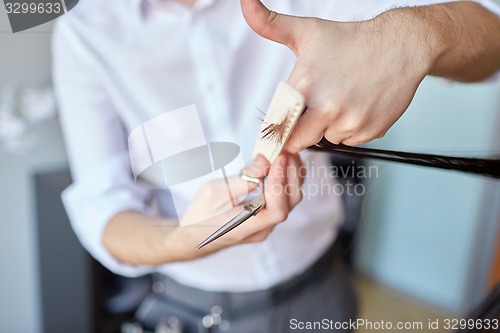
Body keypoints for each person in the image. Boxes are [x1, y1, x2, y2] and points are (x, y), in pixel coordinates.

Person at [52, 0, 499, 332]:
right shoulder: (84, 32)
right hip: (192, 311)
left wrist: (416, 36)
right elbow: (103, 206)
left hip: (324, 291)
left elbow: (492, 38)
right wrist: (183, 240)